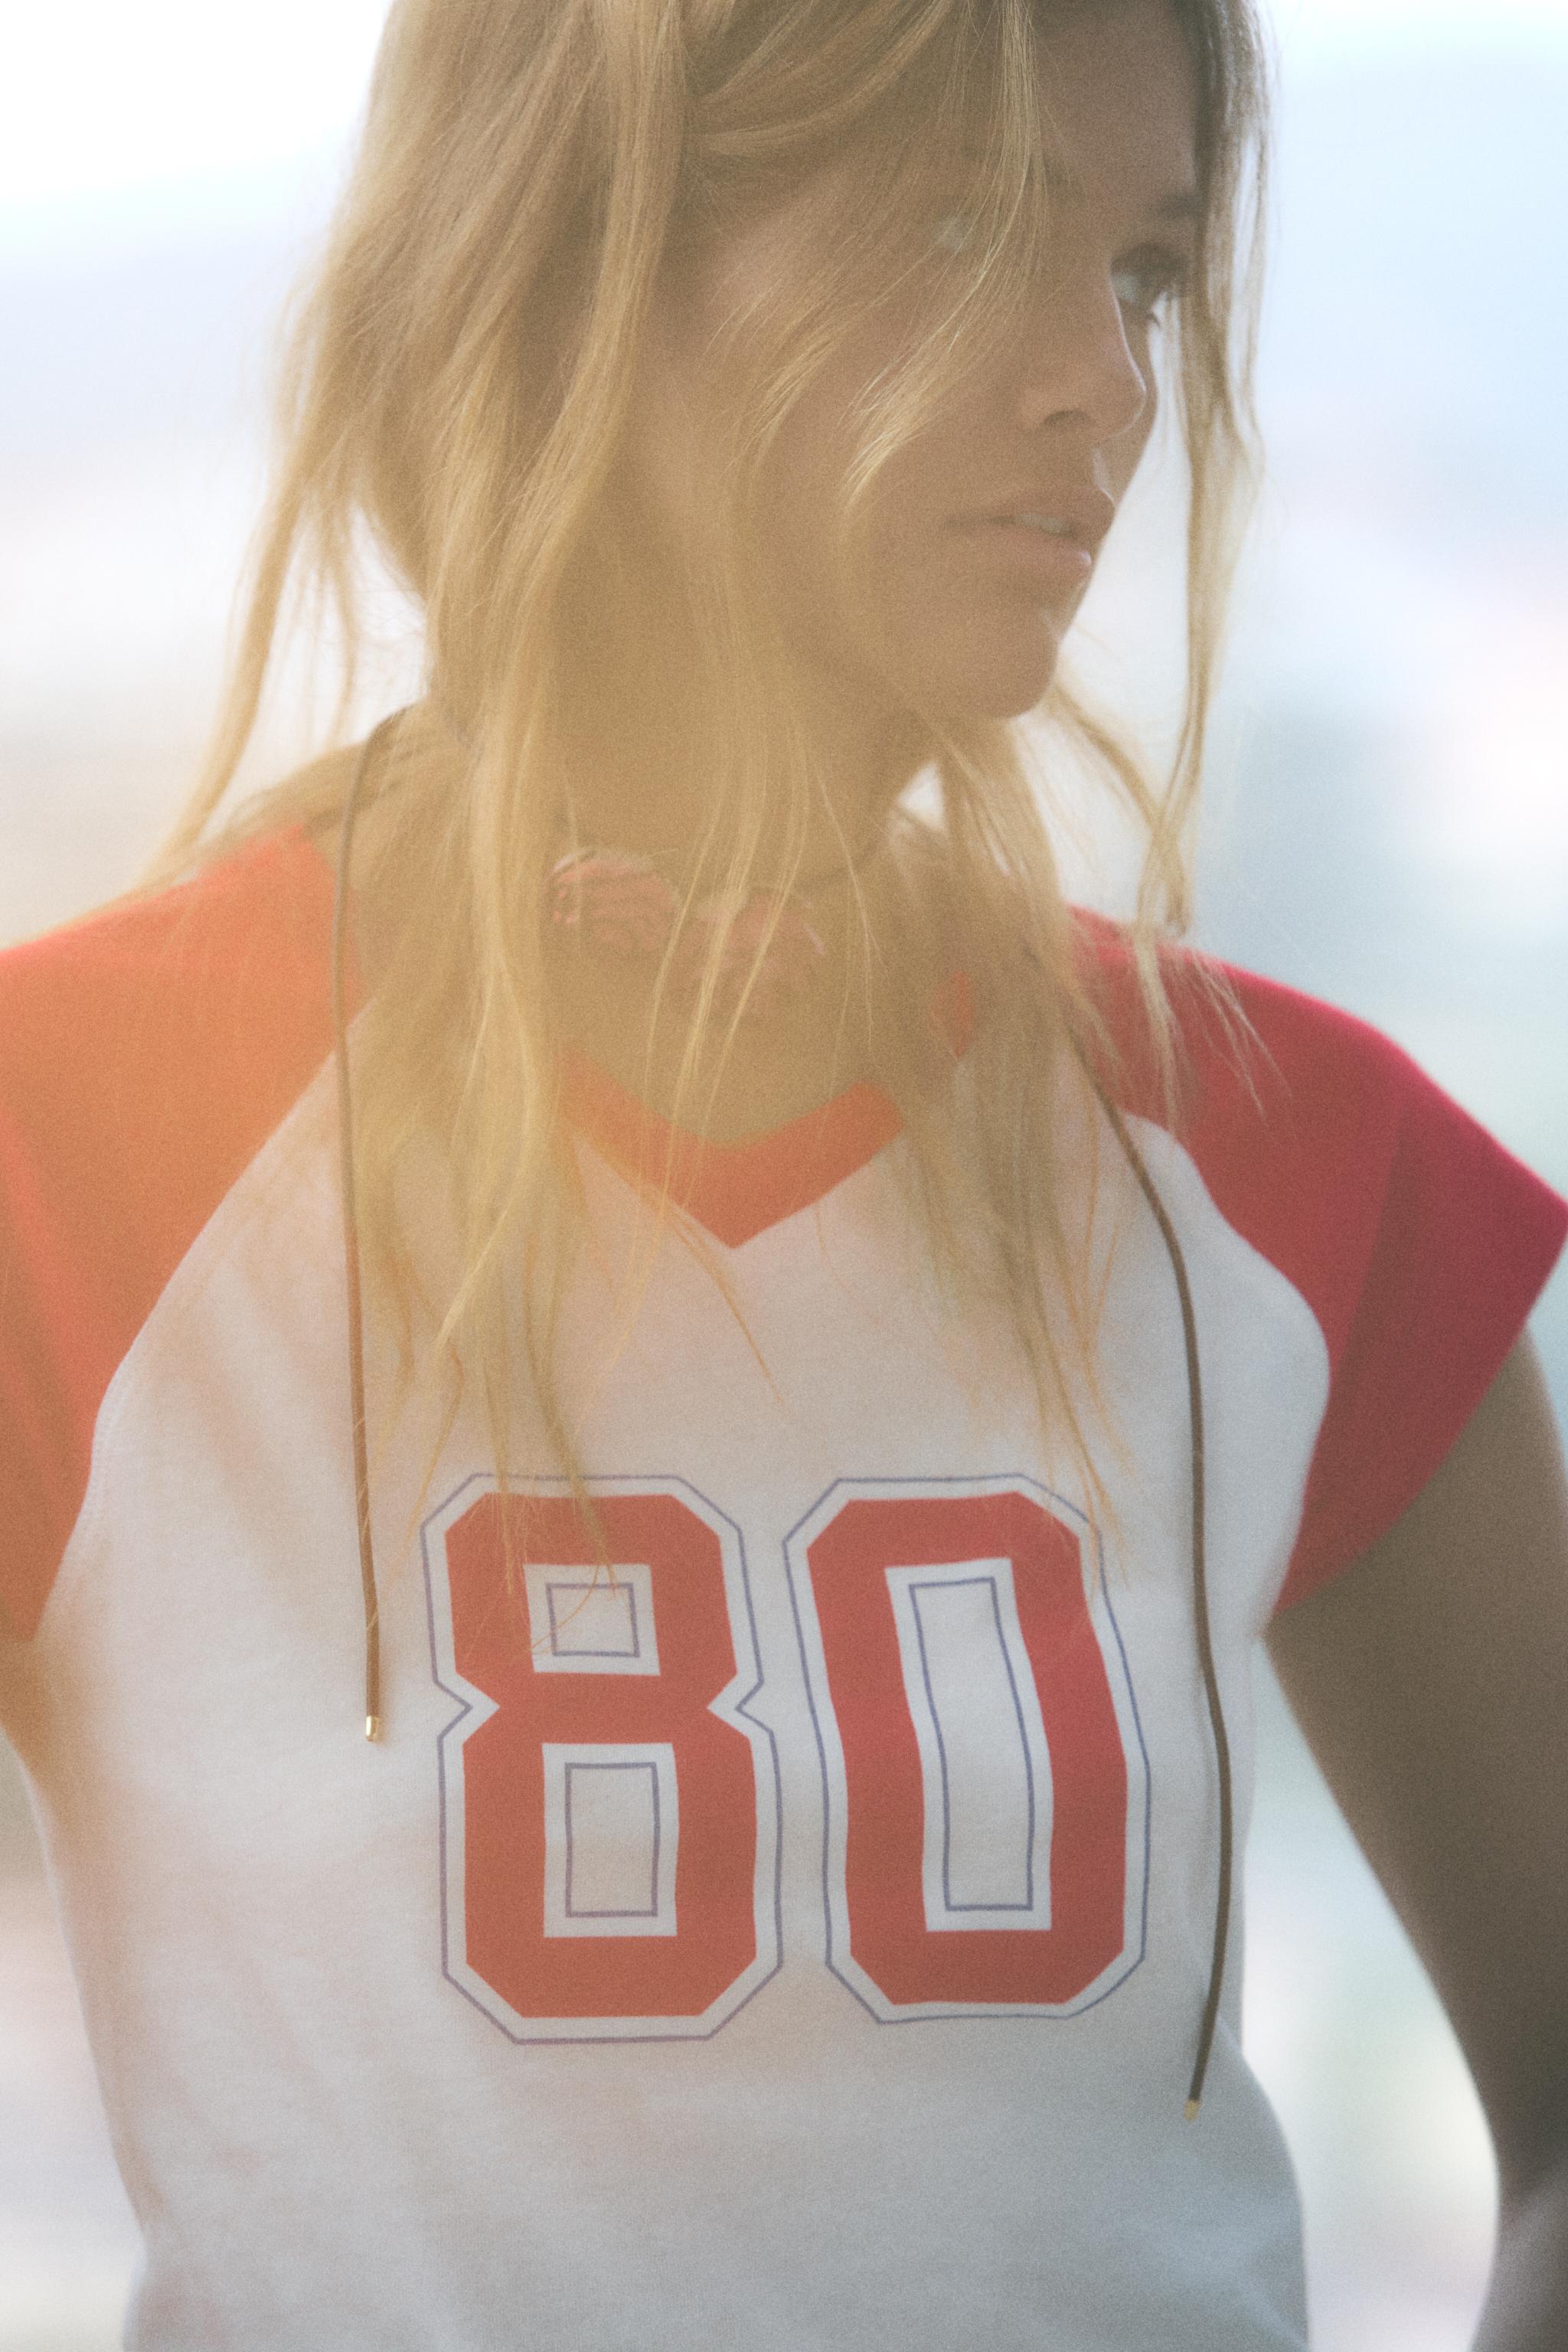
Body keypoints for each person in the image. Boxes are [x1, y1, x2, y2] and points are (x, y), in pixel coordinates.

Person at [1, 0, 1565, 2344]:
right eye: (960, 230)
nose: (1105, 386)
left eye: (1137, 273)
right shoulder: (63, 1146)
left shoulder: (1300, 1174)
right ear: (574, 261)